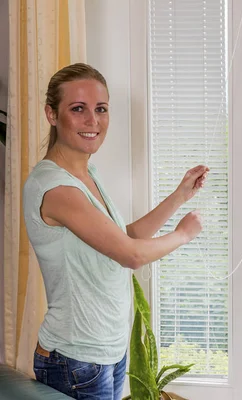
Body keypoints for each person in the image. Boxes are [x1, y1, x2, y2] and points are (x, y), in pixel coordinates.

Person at [22, 63, 208, 400]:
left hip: (106, 351)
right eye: (78, 109)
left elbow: (125, 236)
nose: (93, 120)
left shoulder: (86, 173)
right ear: (51, 114)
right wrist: (183, 234)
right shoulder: (57, 189)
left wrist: (179, 196)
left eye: (101, 109)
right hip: (75, 359)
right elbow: (131, 255)